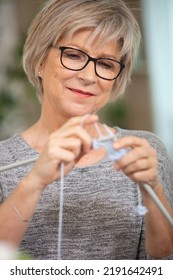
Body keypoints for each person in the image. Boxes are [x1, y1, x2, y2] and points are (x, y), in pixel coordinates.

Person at [0, 0, 173, 260]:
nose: (89, 77)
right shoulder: (4, 162)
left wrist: (153, 189)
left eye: (105, 64)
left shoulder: (144, 151)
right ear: (39, 61)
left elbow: (166, 263)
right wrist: (34, 182)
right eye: (73, 55)